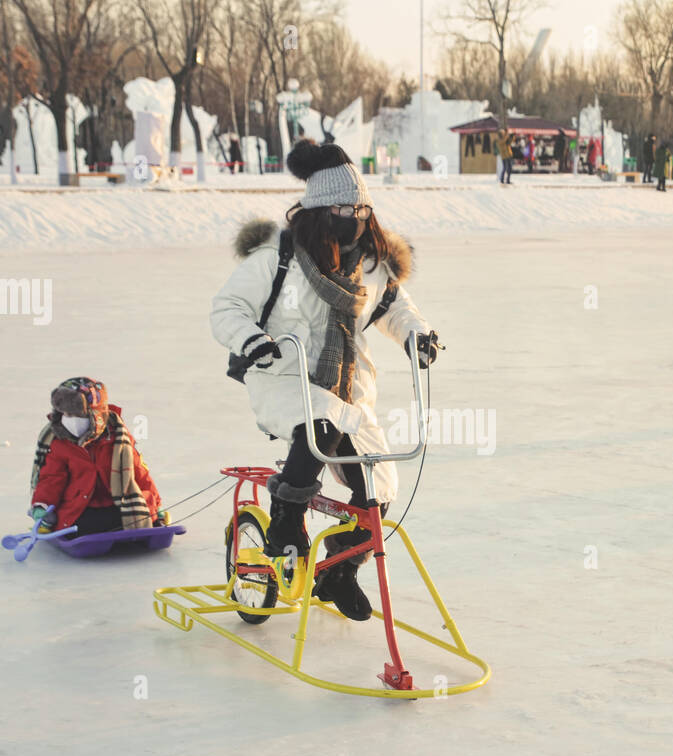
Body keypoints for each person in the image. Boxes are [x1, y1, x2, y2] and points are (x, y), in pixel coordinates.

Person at [209, 139, 439, 621]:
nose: (352, 218)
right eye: (341, 208)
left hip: (349, 391)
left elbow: (396, 309)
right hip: (283, 379)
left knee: (379, 488)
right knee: (322, 418)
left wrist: (417, 335)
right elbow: (227, 308)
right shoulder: (280, 259)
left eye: (361, 208)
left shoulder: (371, 266)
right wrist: (252, 340)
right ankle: (286, 521)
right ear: (316, 210)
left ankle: (338, 569)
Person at [29, 377, 164, 536]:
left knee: (133, 518)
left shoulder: (118, 440)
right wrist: (42, 505)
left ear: (95, 415)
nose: (69, 420)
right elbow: (51, 478)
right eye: (65, 414)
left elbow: (138, 473)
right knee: (85, 525)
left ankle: (143, 525)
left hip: (117, 504)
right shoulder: (60, 444)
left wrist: (156, 505)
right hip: (81, 508)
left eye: (76, 415)